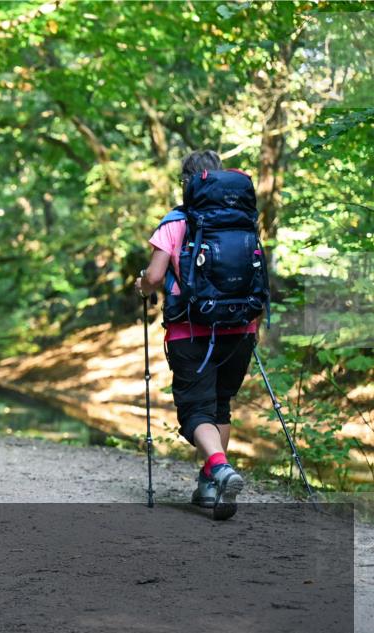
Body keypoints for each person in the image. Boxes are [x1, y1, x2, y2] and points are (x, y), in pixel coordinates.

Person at [135, 149, 255, 518]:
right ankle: (208, 484)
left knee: (194, 410)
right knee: (220, 404)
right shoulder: (243, 220)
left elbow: (154, 278)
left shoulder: (175, 220)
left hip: (191, 329)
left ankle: (219, 466)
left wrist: (141, 285)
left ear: (186, 182)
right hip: (240, 326)